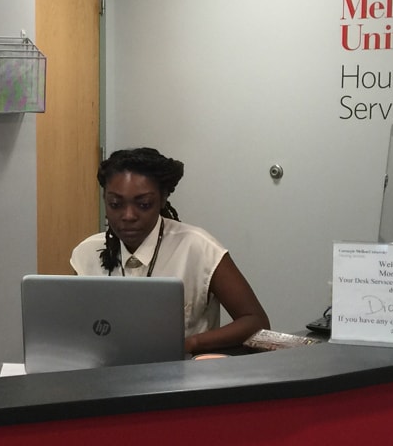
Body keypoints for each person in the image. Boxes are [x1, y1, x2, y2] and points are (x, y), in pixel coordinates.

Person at [70, 147, 269, 355]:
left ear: (163, 199)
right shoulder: (87, 253)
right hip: (104, 376)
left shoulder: (197, 247)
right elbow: (70, 329)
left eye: (144, 204)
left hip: (182, 378)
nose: (128, 215)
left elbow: (256, 322)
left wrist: (188, 344)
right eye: (115, 204)